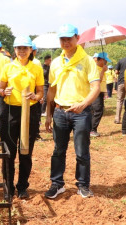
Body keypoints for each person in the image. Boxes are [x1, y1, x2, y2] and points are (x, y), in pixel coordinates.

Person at [45, 24, 100, 199]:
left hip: (81, 113)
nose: (66, 42)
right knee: (58, 150)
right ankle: (57, 184)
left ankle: (83, 185)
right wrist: (48, 114)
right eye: (63, 39)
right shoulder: (56, 63)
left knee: (82, 151)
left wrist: (83, 104)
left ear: (77, 38)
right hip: (60, 112)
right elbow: (52, 91)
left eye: (69, 38)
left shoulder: (87, 61)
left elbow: (96, 87)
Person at [0, 36, 44, 199]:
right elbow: (0, 89)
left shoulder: (36, 68)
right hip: (10, 112)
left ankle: (22, 186)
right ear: (14, 50)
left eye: (25, 48)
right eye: (19, 48)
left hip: (29, 113)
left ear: (31, 50)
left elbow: (40, 93)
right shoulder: (8, 67)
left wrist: (35, 96)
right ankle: (8, 187)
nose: (22, 51)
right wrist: (4, 92)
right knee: (8, 152)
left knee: (26, 152)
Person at [90, 52, 110, 137]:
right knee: (98, 111)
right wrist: (102, 71)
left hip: (100, 92)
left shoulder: (100, 68)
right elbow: (99, 81)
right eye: (106, 61)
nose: (107, 63)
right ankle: (92, 129)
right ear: (101, 60)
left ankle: (90, 128)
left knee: (95, 111)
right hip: (96, 92)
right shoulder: (95, 69)